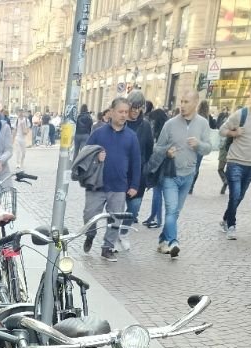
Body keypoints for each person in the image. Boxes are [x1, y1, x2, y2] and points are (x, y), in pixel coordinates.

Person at [151, 89, 212, 259]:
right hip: (170, 174)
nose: (183, 105)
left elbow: (208, 148)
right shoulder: (170, 124)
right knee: (171, 209)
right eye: (181, 101)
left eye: (186, 102)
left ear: (195, 103)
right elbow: (158, 147)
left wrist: (198, 145)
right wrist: (167, 152)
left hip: (189, 175)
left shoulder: (202, 124)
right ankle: (173, 242)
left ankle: (163, 241)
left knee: (175, 212)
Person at [81, 96, 141, 262]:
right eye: (120, 111)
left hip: (119, 185)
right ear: (112, 112)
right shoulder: (98, 133)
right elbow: (84, 155)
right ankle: (90, 234)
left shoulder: (131, 136)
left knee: (115, 218)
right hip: (97, 184)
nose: (123, 115)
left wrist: (134, 184)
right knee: (89, 215)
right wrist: (96, 157)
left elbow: (137, 162)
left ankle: (107, 247)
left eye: (126, 112)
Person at [219, 85, 251, 239]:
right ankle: (231, 225)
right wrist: (234, 132)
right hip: (235, 161)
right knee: (234, 195)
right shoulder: (241, 114)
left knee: (239, 196)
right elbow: (222, 129)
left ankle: (224, 219)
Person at [119, 90, 154, 249]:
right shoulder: (119, 122)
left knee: (134, 207)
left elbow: (149, 149)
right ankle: (112, 236)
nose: (135, 110)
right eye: (133, 106)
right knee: (116, 208)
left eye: (138, 107)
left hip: (138, 174)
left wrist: (145, 168)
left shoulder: (146, 125)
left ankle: (124, 231)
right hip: (119, 173)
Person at [188, 99, 214, 195]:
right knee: (197, 166)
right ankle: (191, 186)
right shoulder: (208, 118)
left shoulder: (196, 116)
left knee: (191, 164)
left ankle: (188, 184)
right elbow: (214, 126)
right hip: (201, 145)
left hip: (193, 144)